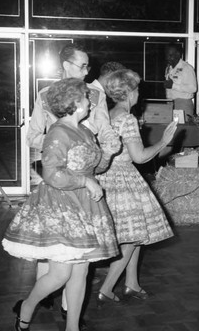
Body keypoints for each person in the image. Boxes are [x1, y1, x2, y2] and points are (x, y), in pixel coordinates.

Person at [2, 78, 120, 331]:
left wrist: (108, 152)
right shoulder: (57, 132)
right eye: (86, 98)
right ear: (76, 103)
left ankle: (73, 327)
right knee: (61, 274)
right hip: (61, 206)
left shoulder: (86, 131)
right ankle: (27, 307)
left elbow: (95, 166)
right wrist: (86, 182)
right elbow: (52, 174)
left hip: (85, 206)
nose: (90, 102)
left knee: (81, 272)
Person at [26, 43, 121, 319]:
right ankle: (39, 299)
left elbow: (104, 130)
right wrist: (64, 140)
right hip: (56, 177)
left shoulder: (95, 96)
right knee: (52, 247)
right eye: (82, 65)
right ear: (65, 65)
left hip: (86, 177)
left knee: (81, 257)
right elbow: (32, 137)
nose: (87, 71)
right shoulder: (45, 95)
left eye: (88, 66)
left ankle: (71, 315)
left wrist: (107, 143)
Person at [96, 68, 177, 305]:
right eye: (137, 88)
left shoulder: (108, 114)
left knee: (135, 234)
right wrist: (164, 141)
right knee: (131, 238)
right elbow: (140, 157)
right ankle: (107, 288)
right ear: (130, 92)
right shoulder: (128, 118)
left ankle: (132, 284)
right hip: (124, 180)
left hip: (107, 178)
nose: (139, 93)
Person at [164, 43, 197, 118]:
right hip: (170, 103)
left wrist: (173, 85)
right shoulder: (168, 68)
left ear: (178, 54)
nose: (167, 58)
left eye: (170, 55)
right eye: (166, 55)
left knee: (183, 128)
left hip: (183, 104)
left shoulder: (187, 68)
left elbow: (193, 88)